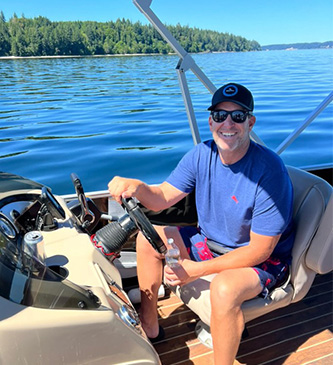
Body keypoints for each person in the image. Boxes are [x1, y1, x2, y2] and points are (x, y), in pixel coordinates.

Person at [108, 83, 294, 365]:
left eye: (238, 116)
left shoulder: (270, 171)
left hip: (259, 260)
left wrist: (197, 270)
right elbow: (162, 198)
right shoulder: (200, 154)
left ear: (250, 122)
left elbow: (261, 251)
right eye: (220, 116)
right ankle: (150, 326)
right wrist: (138, 187)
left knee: (224, 289)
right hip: (210, 243)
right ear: (210, 122)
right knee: (148, 240)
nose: (228, 124)